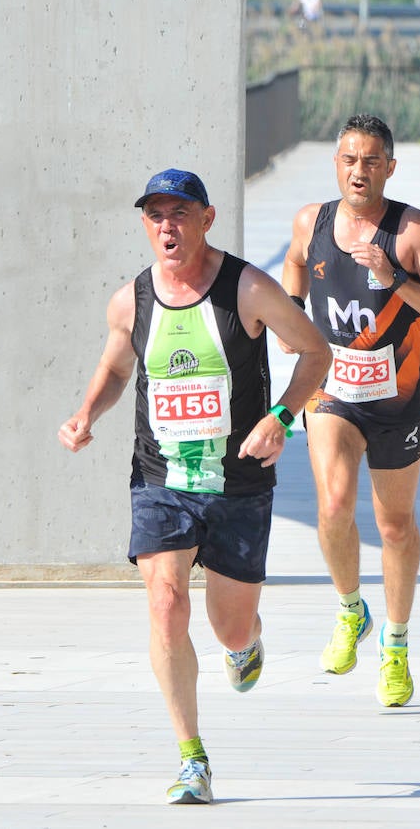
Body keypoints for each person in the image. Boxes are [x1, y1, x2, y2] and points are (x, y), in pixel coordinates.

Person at [58, 169, 331, 805]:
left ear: (207, 219)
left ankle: (248, 642)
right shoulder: (131, 301)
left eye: (179, 213)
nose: (167, 227)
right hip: (161, 478)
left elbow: (316, 353)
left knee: (229, 628)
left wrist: (281, 418)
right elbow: (115, 365)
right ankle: (192, 759)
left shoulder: (250, 289)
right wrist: (85, 413)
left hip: (238, 483)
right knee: (164, 604)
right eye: (155, 215)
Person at [281, 115, 420, 708]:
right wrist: (291, 316)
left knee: (394, 526)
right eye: (348, 159)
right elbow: (292, 265)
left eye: (370, 161)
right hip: (331, 390)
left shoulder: (413, 231)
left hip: (396, 401)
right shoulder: (310, 223)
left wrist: (394, 281)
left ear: (389, 166)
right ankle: (348, 608)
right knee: (333, 505)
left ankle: (395, 644)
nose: (358, 171)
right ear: (336, 163)